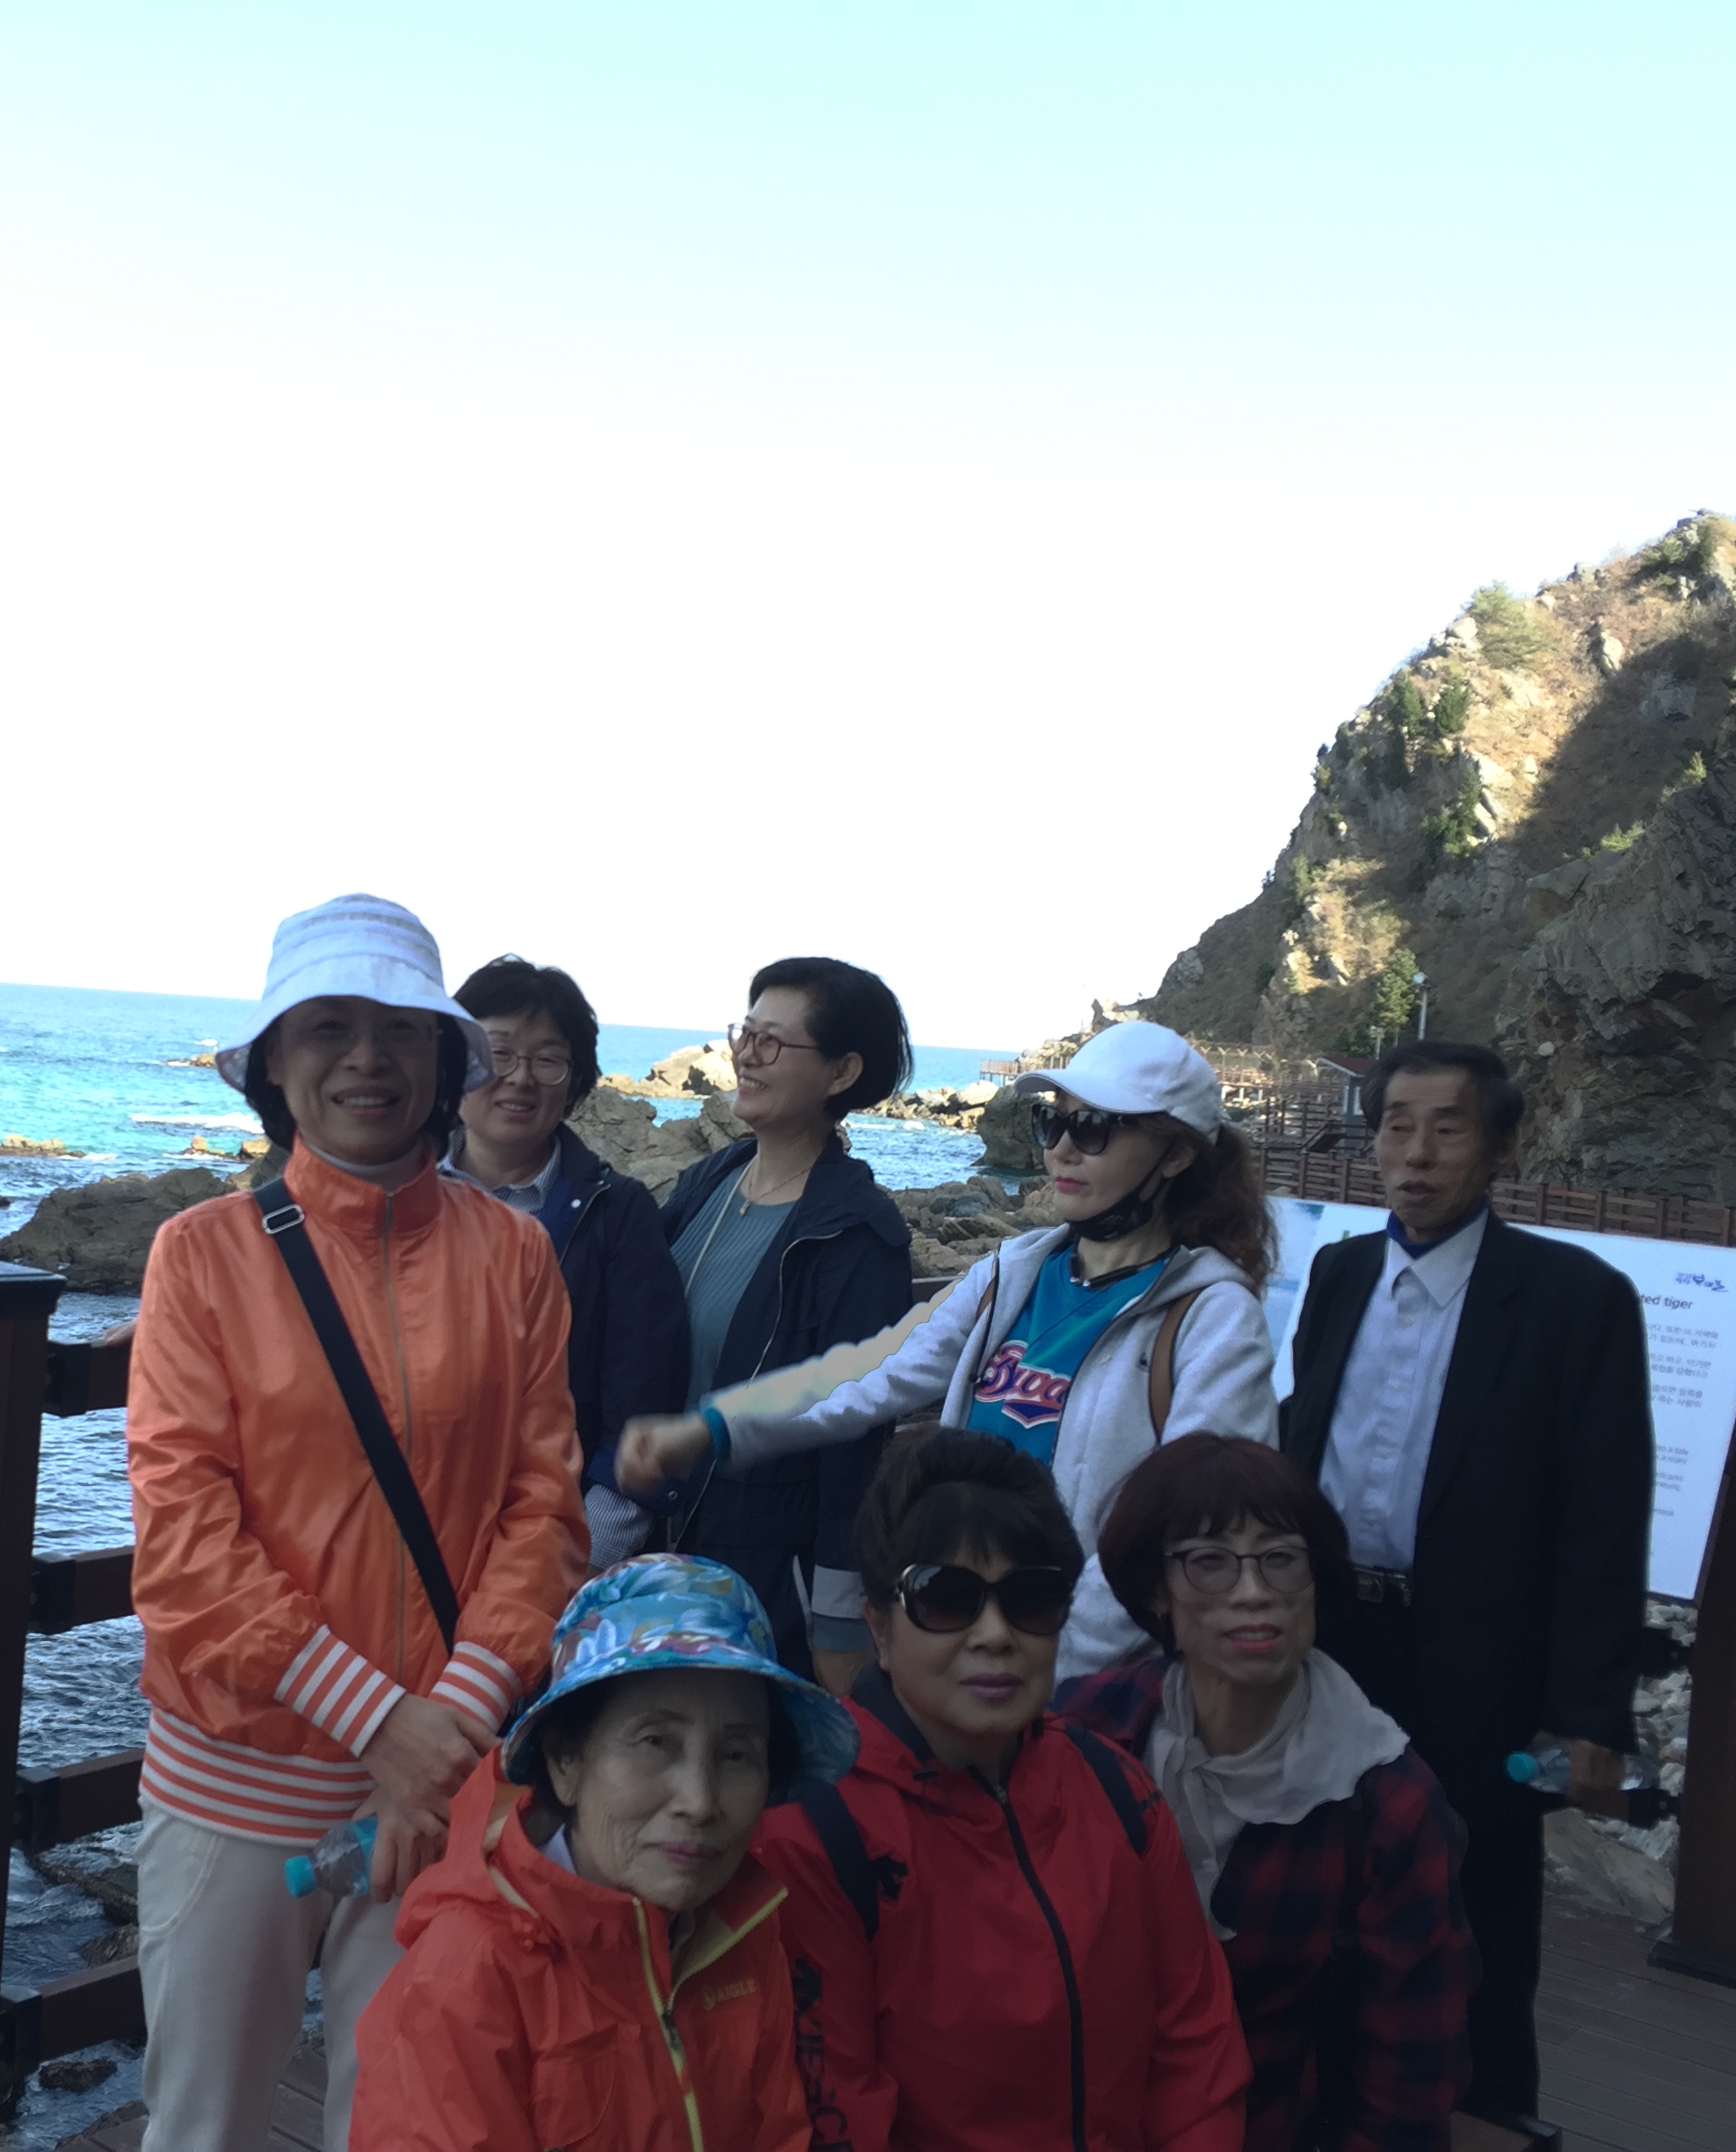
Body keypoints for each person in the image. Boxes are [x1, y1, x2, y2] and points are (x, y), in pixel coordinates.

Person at [126, 892, 590, 2152]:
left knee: (408, 2123)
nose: (366, 1058)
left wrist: (443, 1729)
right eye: (328, 1027)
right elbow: (183, 1544)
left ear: (443, 1058)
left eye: (399, 1028)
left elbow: (543, 1508)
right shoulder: (200, 1255)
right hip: (242, 1781)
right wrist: (391, 1725)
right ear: (276, 1064)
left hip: (441, 1778)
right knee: (206, 2125)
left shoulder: (516, 1257)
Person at [621, 1019, 1278, 1678]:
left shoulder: (1213, 1319)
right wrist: (714, 1427)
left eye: (1094, 1128)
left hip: (1090, 1685)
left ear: (1176, 1155)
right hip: (970, 1645)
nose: (1062, 1150)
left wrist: (1057, 1672)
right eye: (1052, 1122)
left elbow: (1194, 1529)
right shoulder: (1013, 1273)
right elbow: (876, 1373)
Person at [1277, 1039, 1651, 2137]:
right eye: (1397, 1126)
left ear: (1499, 1147)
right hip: (1334, 1640)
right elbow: (1303, 1446)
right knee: (1324, 1878)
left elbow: (1604, 1522)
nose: (1417, 1153)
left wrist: (1588, 1717)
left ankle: (1489, 2118)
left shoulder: (1575, 1299)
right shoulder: (1339, 1275)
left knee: (1479, 1898)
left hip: (1483, 1658)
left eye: (1448, 1128)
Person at [753, 1429, 1251, 2151]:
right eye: (946, 1597)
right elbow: (840, 2116)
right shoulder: (814, 1838)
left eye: (1031, 1598)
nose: (995, 1634)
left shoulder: (1116, 1789)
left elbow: (1195, 2052)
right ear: (878, 1628)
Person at [351, 1553, 859, 2151]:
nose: (699, 1801)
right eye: (655, 1742)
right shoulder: (466, 1979)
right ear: (566, 1762)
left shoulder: (738, 1928)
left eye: (737, 1754)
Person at [1058, 1436, 1477, 2152]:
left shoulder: (1387, 1801)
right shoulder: (1084, 1731)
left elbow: (1412, 2074)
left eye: (1281, 1559)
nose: (1253, 1593)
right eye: (1210, 1561)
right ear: (1155, 1588)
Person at [642, 956, 916, 1690]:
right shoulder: (710, 1179)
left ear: (841, 1072)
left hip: (762, 1574)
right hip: (656, 1541)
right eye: (745, 1033)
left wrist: (838, 1617)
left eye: (773, 1041)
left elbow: (856, 1433)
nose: (747, 1055)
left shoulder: (856, 1234)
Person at [445, 956, 691, 1567]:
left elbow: (642, 1406)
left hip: (554, 1549)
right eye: (498, 1052)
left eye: (547, 1059)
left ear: (575, 1081)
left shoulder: (617, 1214)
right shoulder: (393, 1195)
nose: (520, 1077)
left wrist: (577, 1565)